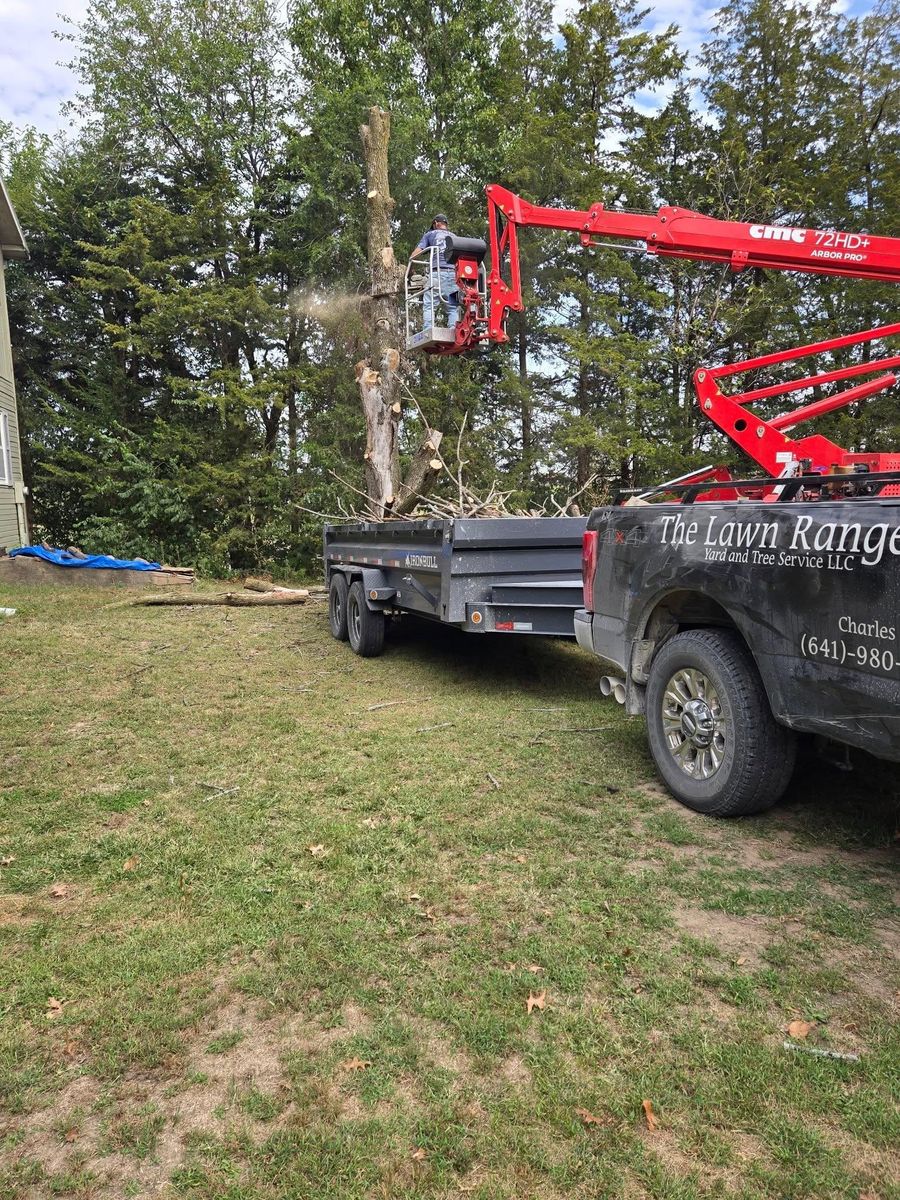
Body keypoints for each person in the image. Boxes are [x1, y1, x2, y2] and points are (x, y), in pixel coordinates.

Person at [409, 214, 458, 330]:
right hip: (454, 276)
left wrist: (410, 266)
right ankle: (453, 330)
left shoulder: (430, 234)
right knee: (453, 307)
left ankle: (428, 329)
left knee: (429, 305)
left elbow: (416, 253)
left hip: (437, 274)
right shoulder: (455, 237)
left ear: (436, 223)